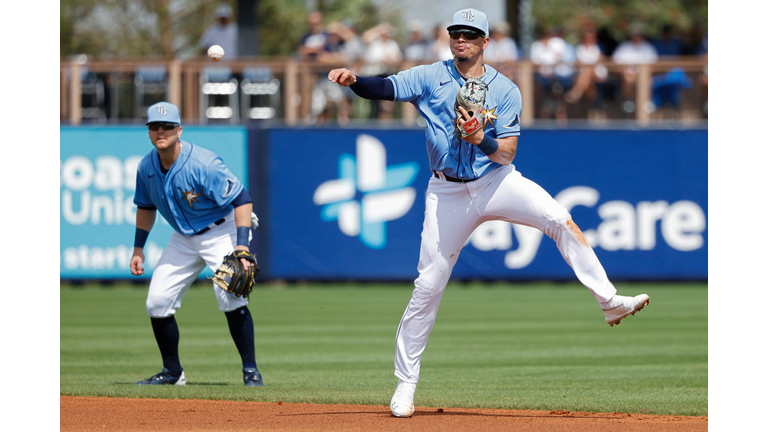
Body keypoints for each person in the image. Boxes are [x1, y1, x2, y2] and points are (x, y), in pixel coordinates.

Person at [327, 8, 651, 419]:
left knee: (559, 219)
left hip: (495, 180)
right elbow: (384, 88)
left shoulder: (506, 89)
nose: (461, 39)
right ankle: (405, 385)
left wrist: (481, 138)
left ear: (484, 42)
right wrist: (355, 80)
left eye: (470, 34)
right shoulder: (430, 76)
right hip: (445, 190)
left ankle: (609, 301)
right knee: (428, 286)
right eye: (455, 33)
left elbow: (507, 153)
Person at [131, 102, 264, 387]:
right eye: (155, 126)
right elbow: (145, 207)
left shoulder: (203, 163)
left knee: (230, 295)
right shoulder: (146, 167)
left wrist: (241, 248)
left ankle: (250, 370)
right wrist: (138, 248)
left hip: (222, 229)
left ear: (179, 130)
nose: (160, 131)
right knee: (157, 302)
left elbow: (243, 200)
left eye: (167, 126)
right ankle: (172, 372)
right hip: (184, 236)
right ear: (149, 132)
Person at [612, 23, 658, 110]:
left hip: (645, 75)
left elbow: (653, 65)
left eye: (638, 35)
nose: (636, 36)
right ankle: (629, 101)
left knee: (645, 78)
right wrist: (626, 71)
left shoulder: (648, 48)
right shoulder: (623, 47)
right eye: (635, 34)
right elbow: (616, 65)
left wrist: (642, 73)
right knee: (628, 78)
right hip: (627, 75)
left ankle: (646, 102)